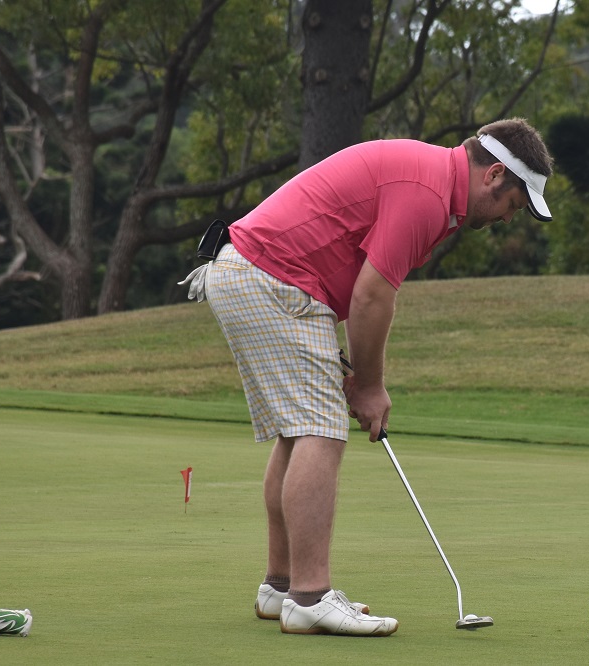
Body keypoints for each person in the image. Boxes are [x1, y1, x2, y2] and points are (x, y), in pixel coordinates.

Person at [180, 118, 553, 636]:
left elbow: (362, 288)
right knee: (321, 430)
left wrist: (360, 379)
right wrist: (369, 386)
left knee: (299, 431)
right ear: (493, 175)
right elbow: (372, 295)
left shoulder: (432, 183)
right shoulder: (426, 192)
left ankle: (281, 587)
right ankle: (309, 597)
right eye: (513, 204)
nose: (509, 218)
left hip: (254, 272)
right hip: (271, 277)